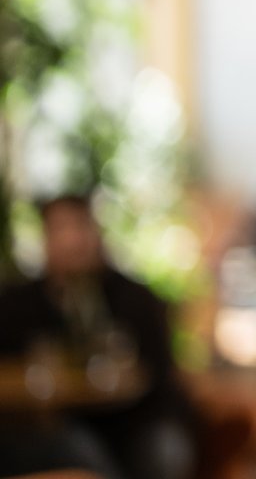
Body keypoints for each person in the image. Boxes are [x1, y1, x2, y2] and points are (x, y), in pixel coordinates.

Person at [0, 194, 197, 479]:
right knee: (71, 449)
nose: (71, 241)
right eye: (59, 229)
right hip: (60, 424)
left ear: (97, 233)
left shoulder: (136, 298)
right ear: (45, 239)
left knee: (164, 451)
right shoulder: (19, 302)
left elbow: (161, 374)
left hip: (135, 421)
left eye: (79, 227)